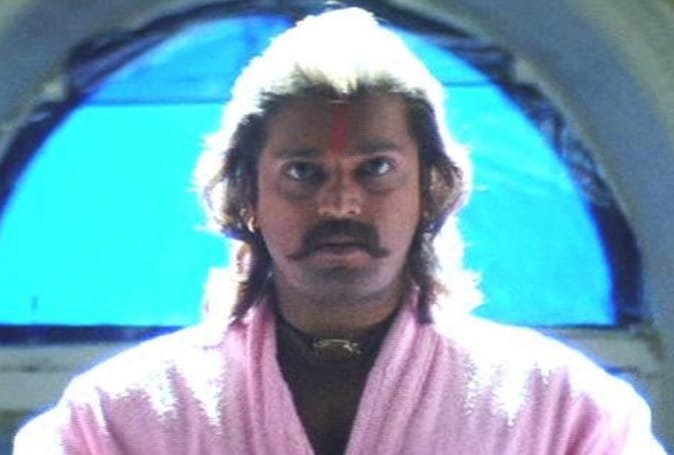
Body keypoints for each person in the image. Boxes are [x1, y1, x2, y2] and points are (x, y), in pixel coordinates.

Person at [14, 7, 666, 455]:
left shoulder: (562, 410)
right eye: (303, 172)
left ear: (430, 188)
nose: (342, 203)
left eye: (376, 168)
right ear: (246, 193)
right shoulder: (121, 417)